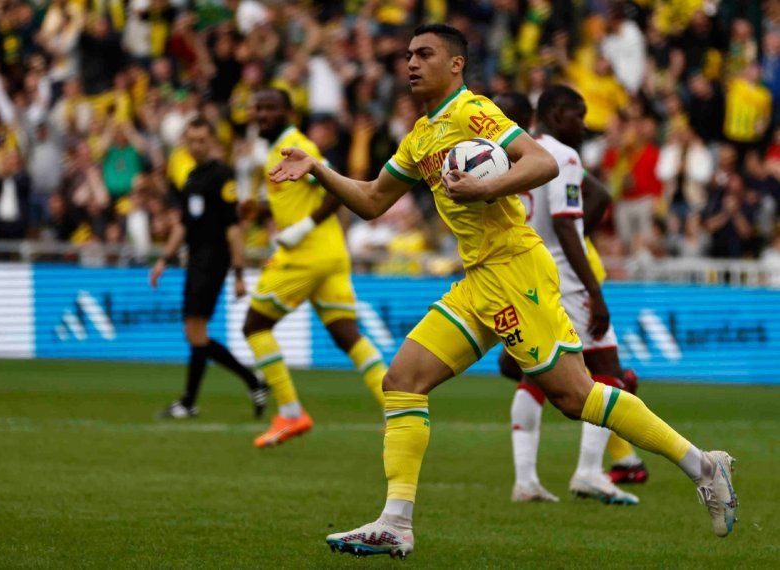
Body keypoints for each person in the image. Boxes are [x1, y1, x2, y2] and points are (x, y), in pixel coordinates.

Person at [269, 24, 738, 559]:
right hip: (478, 279)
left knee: (574, 396)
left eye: (425, 54)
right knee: (402, 380)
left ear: (456, 64)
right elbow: (374, 199)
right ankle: (396, 521)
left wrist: (485, 185)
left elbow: (541, 162)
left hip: (516, 268)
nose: (411, 63)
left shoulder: (475, 112)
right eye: (407, 55)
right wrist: (317, 171)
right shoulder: (421, 135)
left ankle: (703, 465)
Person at [494, 89, 645, 506]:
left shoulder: (515, 151)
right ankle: (590, 471)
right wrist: (595, 292)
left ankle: (525, 481)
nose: (583, 125)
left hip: (525, 278)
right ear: (557, 115)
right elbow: (565, 226)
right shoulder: (563, 156)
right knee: (608, 371)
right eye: (578, 117)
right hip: (566, 281)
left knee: (532, 376)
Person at [243, 88, 388, 449]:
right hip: (332, 253)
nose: (261, 114)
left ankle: (291, 413)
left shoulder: (294, 144)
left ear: (289, 113)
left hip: (306, 255)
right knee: (346, 335)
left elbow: (333, 189)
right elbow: (299, 197)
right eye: (257, 107)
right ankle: (397, 407)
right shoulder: (281, 146)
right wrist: (261, 214)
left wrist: (301, 229)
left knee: (255, 325)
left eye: (270, 108)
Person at [149, 118, 267, 419]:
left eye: (201, 140)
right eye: (191, 139)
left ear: (212, 141)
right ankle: (197, 399)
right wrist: (163, 260)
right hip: (195, 261)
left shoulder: (222, 176)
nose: (196, 145)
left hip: (213, 262)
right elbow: (184, 227)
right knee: (195, 334)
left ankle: (245, 383)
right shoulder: (191, 178)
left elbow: (234, 229)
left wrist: (239, 274)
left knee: (195, 331)